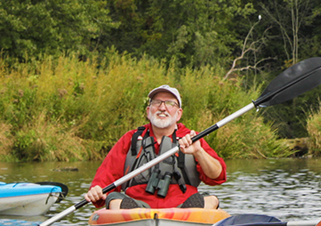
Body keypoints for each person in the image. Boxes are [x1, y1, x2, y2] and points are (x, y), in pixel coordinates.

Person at [84, 84, 226, 209]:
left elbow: (217, 176)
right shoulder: (131, 138)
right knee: (114, 201)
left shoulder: (192, 138)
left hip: (183, 207)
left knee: (211, 200)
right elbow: (106, 177)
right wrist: (97, 190)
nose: (162, 107)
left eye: (170, 103)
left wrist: (198, 152)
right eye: (157, 102)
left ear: (179, 114)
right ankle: (138, 224)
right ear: (148, 111)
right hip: (137, 208)